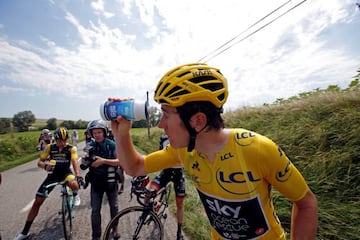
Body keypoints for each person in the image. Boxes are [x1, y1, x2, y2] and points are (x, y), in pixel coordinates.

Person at [109, 63, 318, 240]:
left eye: (166, 114)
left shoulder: (257, 149)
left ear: (198, 121)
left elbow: (306, 203)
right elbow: (134, 167)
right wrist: (121, 134)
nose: (160, 125)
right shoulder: (182, 151)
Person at [15, 127, 82, 240]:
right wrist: (45, 166)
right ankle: (25, 232)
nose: (63, 143)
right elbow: (39, 162)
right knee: (37, 202)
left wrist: (78, 174)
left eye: (65, 140)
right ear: (55, 139)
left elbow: (75, 161)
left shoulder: (71, 148)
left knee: (75, 185)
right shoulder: (50, 147)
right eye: (60, 140)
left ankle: (76, 195)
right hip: (52, 176)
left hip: (66, 174)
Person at [83, 120, 121, 240]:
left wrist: (103, 161)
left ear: (104, 132)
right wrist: (85, 161)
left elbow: (119, 161)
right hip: (96, 183)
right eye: (94, 133)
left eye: (99, 132)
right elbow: (85, 163)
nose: (97, 135)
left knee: (114, 207)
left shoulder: (112, 145)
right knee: (95, 211)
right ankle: (96, 236)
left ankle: (115, 228)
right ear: (91, 134)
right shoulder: (90, 146)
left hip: (111, 182)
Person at [147, 133, 186, 240]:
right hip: (166, 171)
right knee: (149, 192)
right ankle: (156, 206)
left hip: (179, 174)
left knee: (180, 205)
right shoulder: (163, 137)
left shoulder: (183, 136)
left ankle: (179, 231)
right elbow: (160, 153)